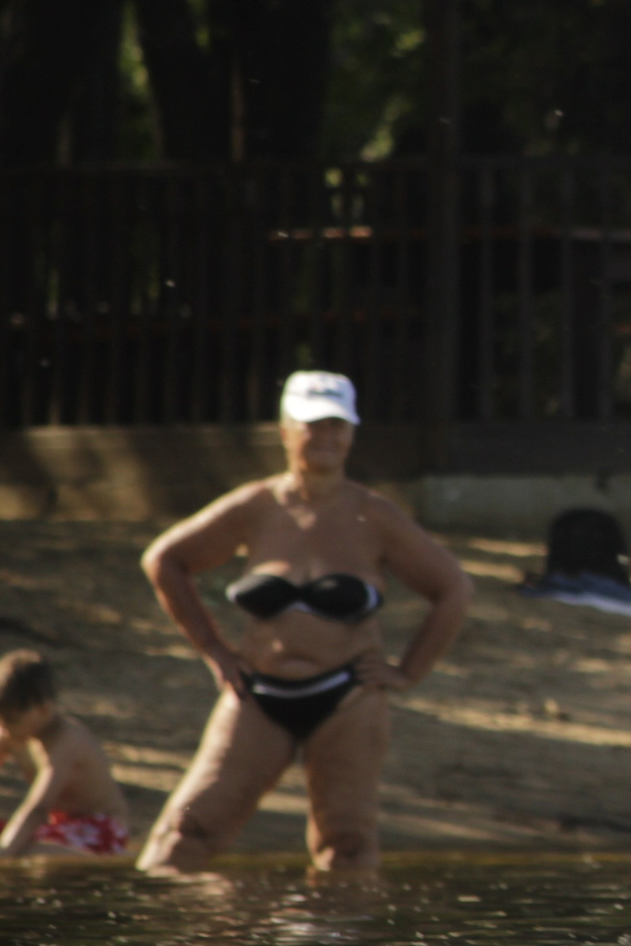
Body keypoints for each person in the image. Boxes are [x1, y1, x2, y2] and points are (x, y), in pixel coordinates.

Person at [135, 370, 472, 873]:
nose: (325, 437)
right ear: (286, 429)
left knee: (347, 847)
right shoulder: (257, 505)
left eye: (337, 425)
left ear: (353, 433)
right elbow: (164, 560)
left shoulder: (374, 516)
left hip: (348, 697)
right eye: (312, 424)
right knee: (184, 837)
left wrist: (407, 672)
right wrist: (215, 651)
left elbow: (454, 589)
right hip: (257, 694)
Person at [0, 652, 135, 859]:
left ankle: (112, 858)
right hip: (56, 827)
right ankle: (20, 853)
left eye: (11, 720)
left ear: (43, 709)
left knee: (32, 855)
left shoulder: (67, 740)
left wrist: (1, 859)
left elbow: (37, 808)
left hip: (99, 828)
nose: (3, 727)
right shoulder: (8, 733)